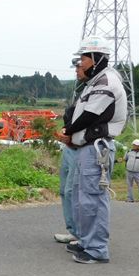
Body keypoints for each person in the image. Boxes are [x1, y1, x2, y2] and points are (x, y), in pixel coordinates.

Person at [58, 36, 127, 264]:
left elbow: (90, 115)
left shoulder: (106, 81)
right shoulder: (96, 81)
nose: (80, 63)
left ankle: (97, 249)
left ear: (96, 58)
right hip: (85, 148)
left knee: (92, 199)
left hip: (95, 148)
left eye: (84, 58)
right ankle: (88, 242)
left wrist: (68, 130)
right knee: (81, 198)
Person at [53, 57, 87, 244]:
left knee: (75, 191)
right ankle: (73, 230)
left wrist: (71, 134)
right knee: (65, 191)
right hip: (69, 147)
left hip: (81, 148)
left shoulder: (100, 86)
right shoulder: (83, 88)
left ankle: (82, 233)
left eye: (79, 67)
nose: (76, 70)